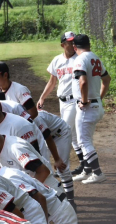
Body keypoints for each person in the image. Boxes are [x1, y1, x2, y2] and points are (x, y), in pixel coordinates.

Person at [0, 113, 63, 195]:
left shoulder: (15, 147)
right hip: (40, 198)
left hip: (53, 196)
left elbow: (43, 172)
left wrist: (29, 196)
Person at [37, 31, 81, 176]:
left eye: (74, 41)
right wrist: (42, 97)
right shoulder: (57, 60)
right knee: (72, 135)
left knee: (62, 131)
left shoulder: (79, 59)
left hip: (74, 101)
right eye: (70, 42)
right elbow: (52, 81)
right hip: (62, 101)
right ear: (63, 45)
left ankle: (61, 165)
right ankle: (85, 165)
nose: (73, 44)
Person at [71, 34, 111, 184]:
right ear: (89, 44)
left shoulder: (79, 60)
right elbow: (107, 80)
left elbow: (83, 82)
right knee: (87, 139)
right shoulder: (95, 57)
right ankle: (87, 171)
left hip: (87, 108)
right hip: (97, 105)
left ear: (75, 47)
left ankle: (98, 173)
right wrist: (99, 97)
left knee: (84, 142)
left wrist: (84, 100)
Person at [33, 109, 76, 209]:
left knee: (62, 168)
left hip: (61, 134)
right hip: (47, 138)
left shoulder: (36, 117)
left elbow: (48, 138)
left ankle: (71, 202)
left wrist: (57, 159)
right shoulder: (21, 118)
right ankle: (54, 197)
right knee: (43, 166)